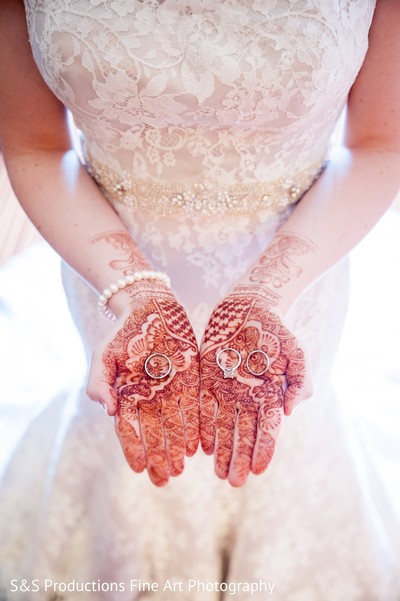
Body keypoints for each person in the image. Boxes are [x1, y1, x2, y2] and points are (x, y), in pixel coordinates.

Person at [0, 0, 399, 599]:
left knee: (284, 450)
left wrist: (267, 290)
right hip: (110, 275)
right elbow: (33, 141)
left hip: (296, 276)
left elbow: (379, 142)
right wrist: (133, 291)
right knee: (127, 454)